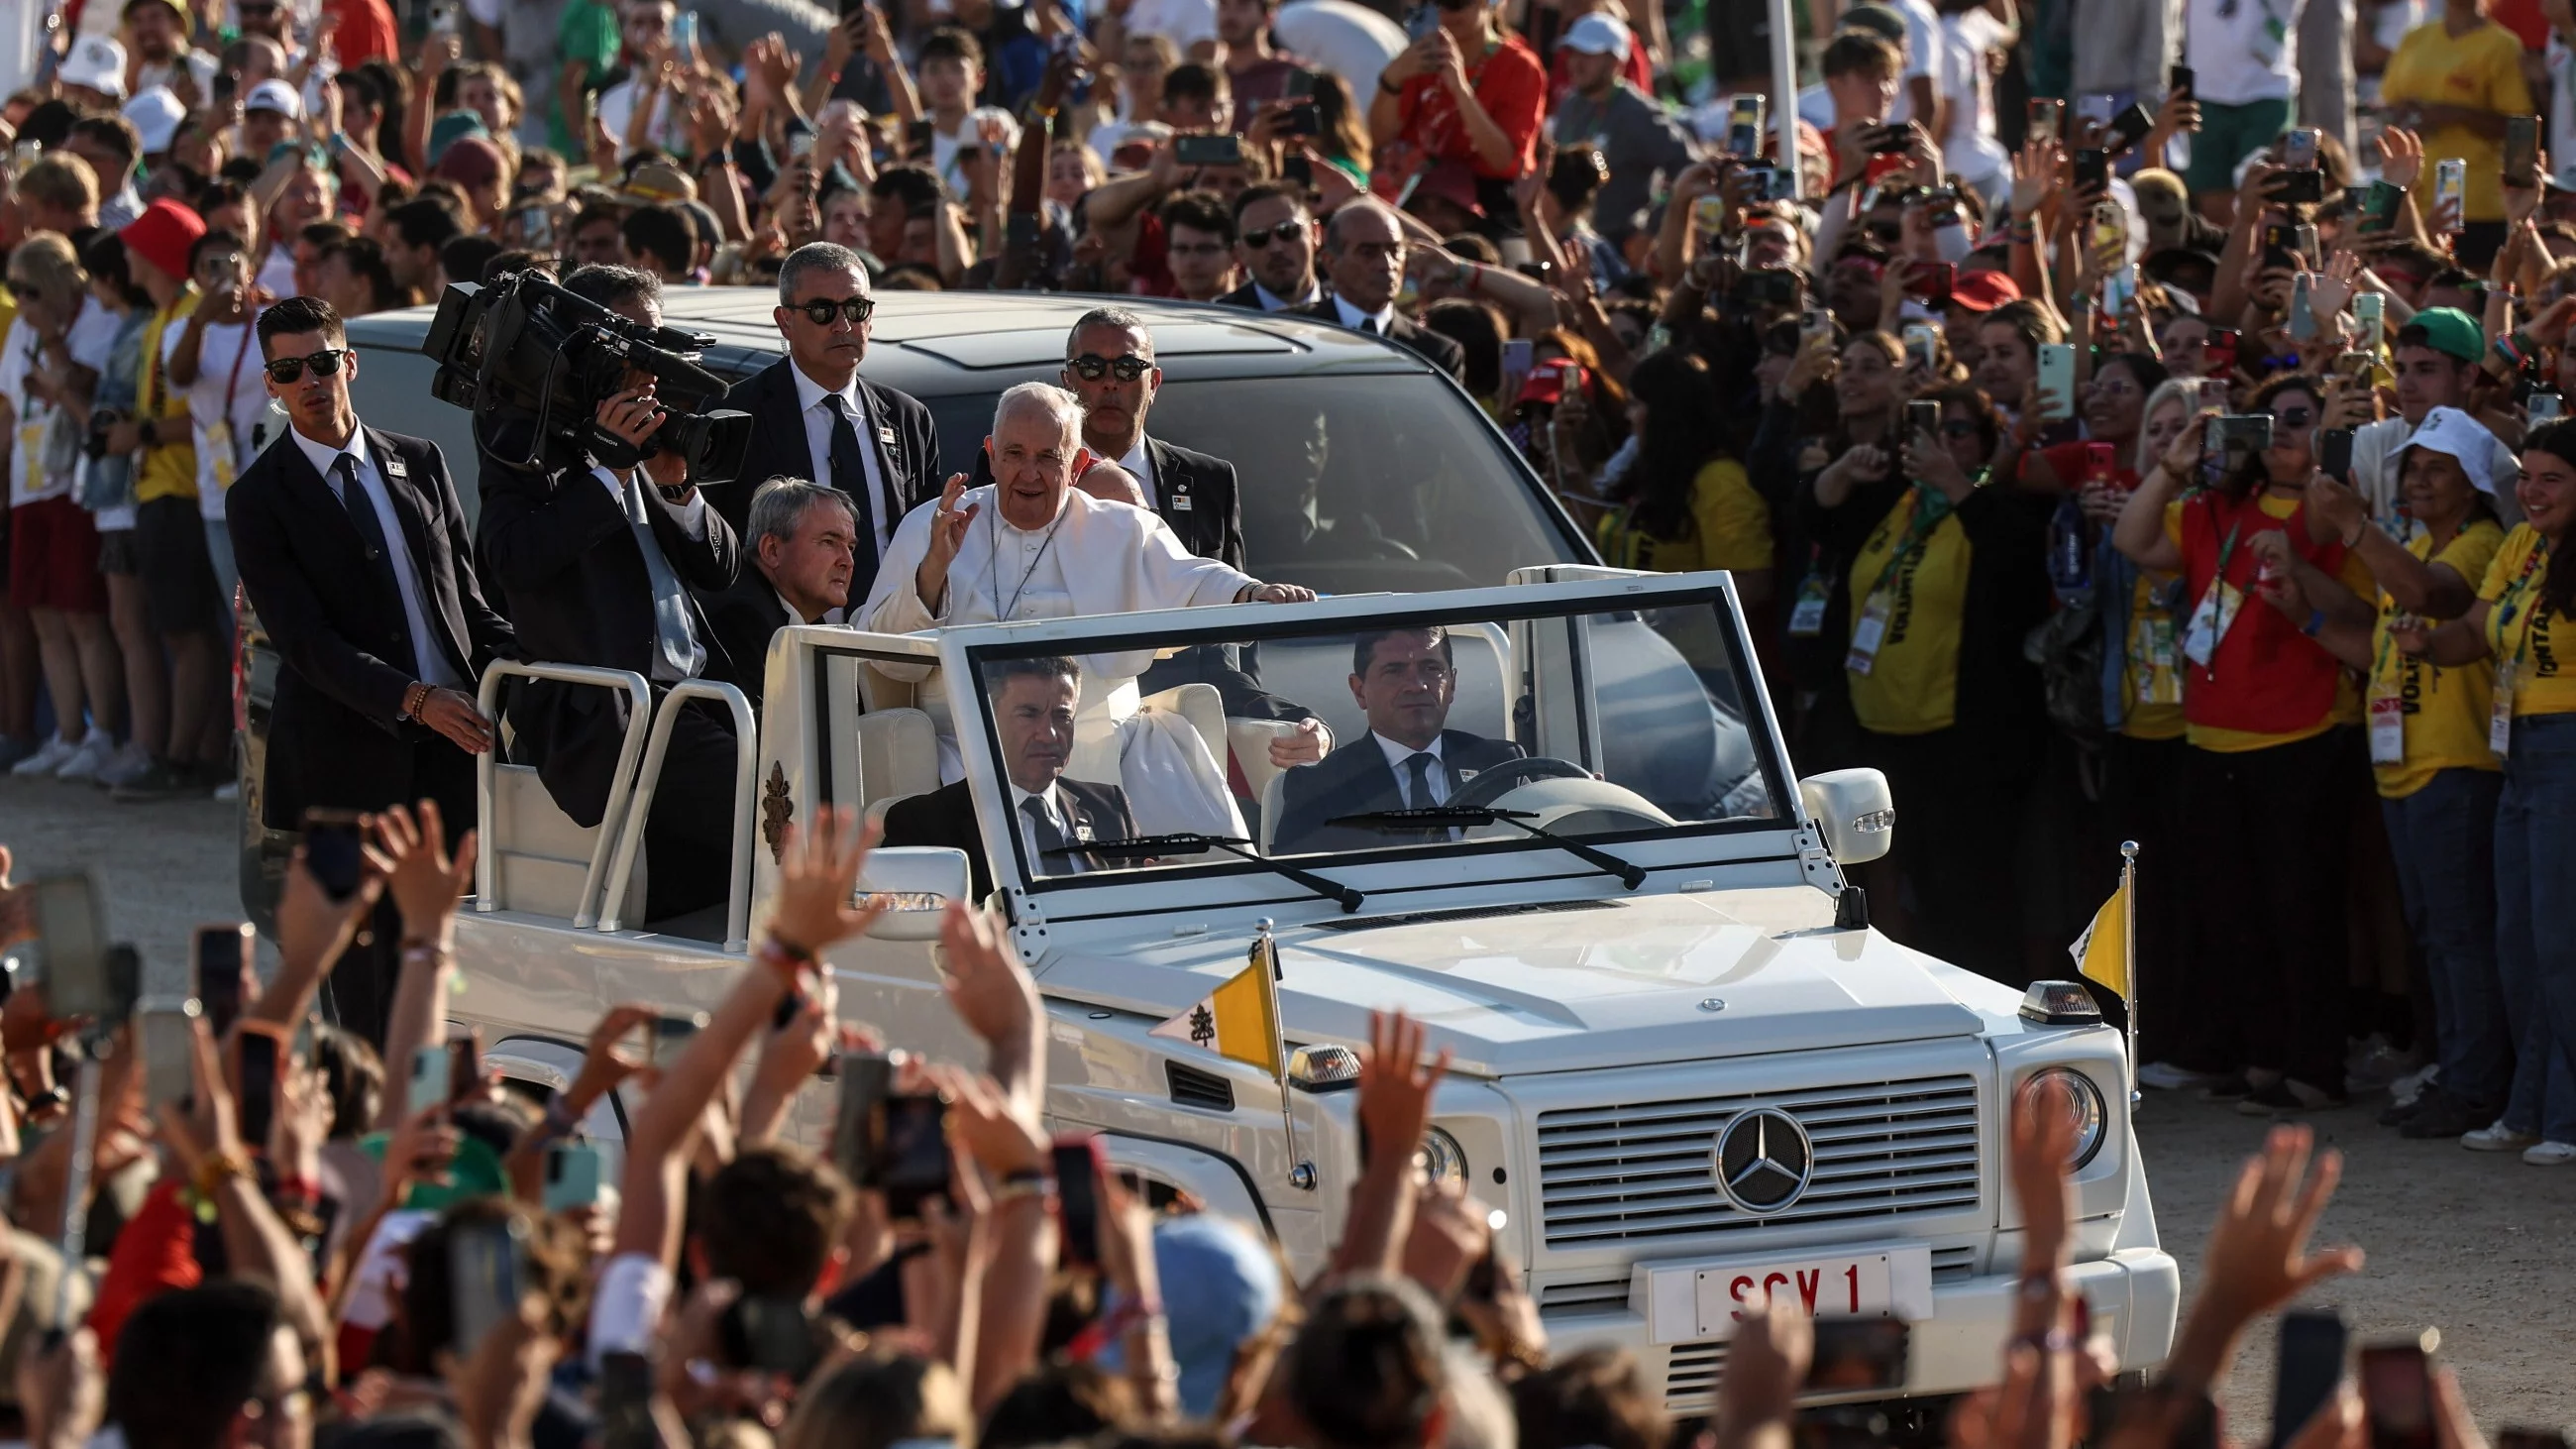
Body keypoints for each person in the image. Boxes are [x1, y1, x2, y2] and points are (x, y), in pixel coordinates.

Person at [226, 295, 513, 1040]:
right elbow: (305, 642)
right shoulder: (258, 498)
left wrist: (530, 674)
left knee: (454, 961)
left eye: (323, 362)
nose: (312, 382)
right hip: (342, 768)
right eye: (291, 371)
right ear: (272, 386)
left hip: (451, 759)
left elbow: (471, 608)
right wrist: (415, 700)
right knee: (364, 982)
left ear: (348, 363)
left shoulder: (418, 459)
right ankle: (365, 1138)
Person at [2114, 373, 2373, 1111]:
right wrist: (2172, 466)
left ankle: (2315, 1068)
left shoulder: (2333, 511)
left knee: (2303, 914)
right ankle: (2263, 1059)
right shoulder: (2212, 508)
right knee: (2234, 915)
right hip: (2210, 740)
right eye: (2272, 419)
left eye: (2301, 419)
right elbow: (2133, 539)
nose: (2284, 430)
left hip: (2302, 736)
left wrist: (2299, 579)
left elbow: (2359, 606)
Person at [862, 383, 1310, 788]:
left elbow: (1192, 579)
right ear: (991, 454)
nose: (1029, 473)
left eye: (1047, 457)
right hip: (969, 744)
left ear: (1076, 465)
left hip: (1098, 740)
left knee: (1172, 795)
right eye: (1014, 454)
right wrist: (934, 569)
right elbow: (888, 660)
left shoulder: (1122, 528)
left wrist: (1252, 592)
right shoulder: (932, 525)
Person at [477, 264, 743, 924]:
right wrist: (606, 469)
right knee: (775, 809)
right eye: (639, 346)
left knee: (700, 899)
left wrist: (677, 486)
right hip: (619, 718)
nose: (655, 365)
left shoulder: (649, 431)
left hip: (697, 701)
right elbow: (511, 561)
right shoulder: (527, 438)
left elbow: (721, 569)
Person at [2290, 407, 2510, 1140]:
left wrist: (2354, 528)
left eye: (2436, 467)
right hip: (2405, 766)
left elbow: (2430, 597)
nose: (2417, 477)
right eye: (2412, 466)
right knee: (2432, 933)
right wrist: (2305, 609)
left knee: (2460, 935)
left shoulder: (2481, 543)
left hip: (2458, 762)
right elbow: (2380, 644)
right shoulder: (2410, 539)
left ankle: (2477, 1083)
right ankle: (2455, 1069)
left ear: (2474, 483)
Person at [1805, 379, 2048, 983]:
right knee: (1891, 889)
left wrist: (1954, 482)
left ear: (1985, 445)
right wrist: (1843, 469)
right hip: (1877, 733)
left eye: (1958, 432)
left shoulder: (1999, 507)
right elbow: (1812, 515)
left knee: (1964, 890)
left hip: (1962, 743)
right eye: (1928, 432)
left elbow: (2016, 564)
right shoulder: (1895, 501)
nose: (1941, 444)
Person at [2380, 419, 2576, 1163]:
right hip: (2518, 752)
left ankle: (2568, 1115)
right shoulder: (2523, 547)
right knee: (2517, 941)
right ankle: (2530, 1107)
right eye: (2527, 476)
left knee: (2561, 945)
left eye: (2553, 479)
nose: (2533, 491)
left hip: (2568, 753)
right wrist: (2430, 643)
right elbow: (2472, 633)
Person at [717, 243, 942, 606]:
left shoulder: (907, 418)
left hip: (893, 644)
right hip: (782, 647)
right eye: (822, 311)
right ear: (785, 321)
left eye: (856, 308)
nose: (843, 325)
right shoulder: (737, 413)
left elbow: (924, 541)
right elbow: (716, 548)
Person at [116, 196, 230, 801]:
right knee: (185, 633)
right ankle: (197, 753)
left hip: (184, 491)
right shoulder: (165, 316)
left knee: (191, 636)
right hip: (164, 489)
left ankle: (184, 759)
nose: (126, 254)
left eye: (137, 244)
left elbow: (200, 413)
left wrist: (142, 434)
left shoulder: (191, 315)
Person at [2, 233, 127, 785]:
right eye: (15, 290)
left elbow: (82, 387)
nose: (20, 300)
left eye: (29, 289)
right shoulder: (17, 332)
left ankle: (101, 732)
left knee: (82, 613)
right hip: (29, 486)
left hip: (76, 487)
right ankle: (67, 735)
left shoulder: (96, 321)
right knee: (43, 615)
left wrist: (53, 340)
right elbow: (13, 401)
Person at [882, 656, 1142, 894]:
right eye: (1029, 714)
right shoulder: (924, 825)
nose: (1049, 734)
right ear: (988, 721)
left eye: (1062, 716)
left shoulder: (1110, 807)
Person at [1270, 625, 1526, 854]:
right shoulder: (1319, 789)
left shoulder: (1502, 767)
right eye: (1394, 671)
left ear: (1453, 684)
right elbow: (1299, 895)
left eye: (1432, 669)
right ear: (1359, 690)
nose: (1417, 685)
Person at [163, 230, 267, 631]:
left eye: (231, 263)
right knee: (242, 618)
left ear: (250, 270)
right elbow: (179, 377)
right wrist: (199, 320)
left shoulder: (271, 323)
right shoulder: (183, 330)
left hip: (269, 486)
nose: (223, 275)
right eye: (211, 267)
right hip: (218, 492)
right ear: (195, 278)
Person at [1365, 0, 1546, 230]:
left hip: (1489, 204)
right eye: (1432, 4)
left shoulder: (1520, 66)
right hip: (1423, 195)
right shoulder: (1422, 58)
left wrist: (1460, 90)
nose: (1444, 13)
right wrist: (1391, 79)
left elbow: (1504, 161)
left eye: (1456, 4)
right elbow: (1381, 137)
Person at [2379, 0, 2533, 264]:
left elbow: (2520, 126)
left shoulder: (2503, 45)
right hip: (2415, 198)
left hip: (2476, 203)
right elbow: (2389, 103)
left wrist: (2456, 114)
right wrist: (2403, 113)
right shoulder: (2416, 38)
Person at [699, 478, 859, 712]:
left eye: (851, 547)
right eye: (828, 542)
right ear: (772, 550)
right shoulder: (739, 618)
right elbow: (760, 737)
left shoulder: (802, 616)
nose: (847, 561)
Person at [1546, 16, 1695, 247]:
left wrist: (1651, 230)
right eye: (1573, 53)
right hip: (1567, 240)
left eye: (1587, 54)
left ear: (1616, 62)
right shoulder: (1570, 105)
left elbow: (1690, 168)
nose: (1575, 63)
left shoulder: (1639, 114)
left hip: (1618, 248)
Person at [1295, 201, 1466, 380]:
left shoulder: (1435, 354)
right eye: (1368, 252)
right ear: (1331, 262)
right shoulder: (1292, 333)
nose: (1387, 264)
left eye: (1395, 251)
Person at [1218, 183, 1324, 311]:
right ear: (1240, 253)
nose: (1276, 248)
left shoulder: (1348, 312)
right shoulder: (1221, 320)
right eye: (1257, 238)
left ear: (1315, 234)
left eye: (1287, 231)